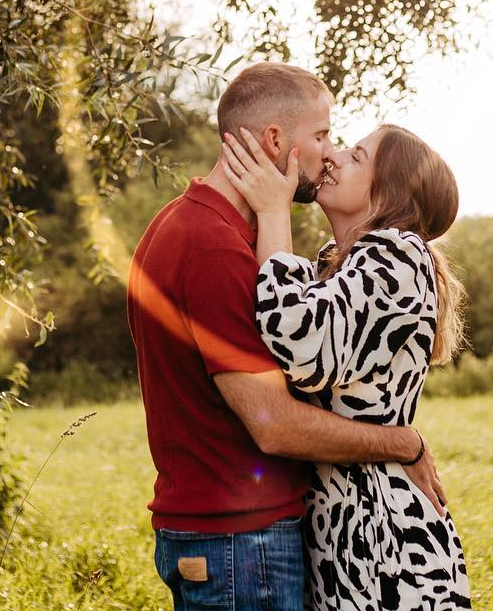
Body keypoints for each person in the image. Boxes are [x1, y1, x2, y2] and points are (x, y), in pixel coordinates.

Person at [127, 63, 446, 611]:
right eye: (322, 136)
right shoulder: (212, 245)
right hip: (239, 541)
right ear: (276, 140)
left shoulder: (196, 227)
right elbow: (274, 423)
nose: (330, 152)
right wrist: (402, 441)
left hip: (303, 536)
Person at [220, 122, 471, 610]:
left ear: (389, 193)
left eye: (357, 156)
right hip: (341, 529)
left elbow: (299, 345)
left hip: (382, 543)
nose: (333, 156)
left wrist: (274, 211)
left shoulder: (399, 257)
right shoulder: (341, 265)